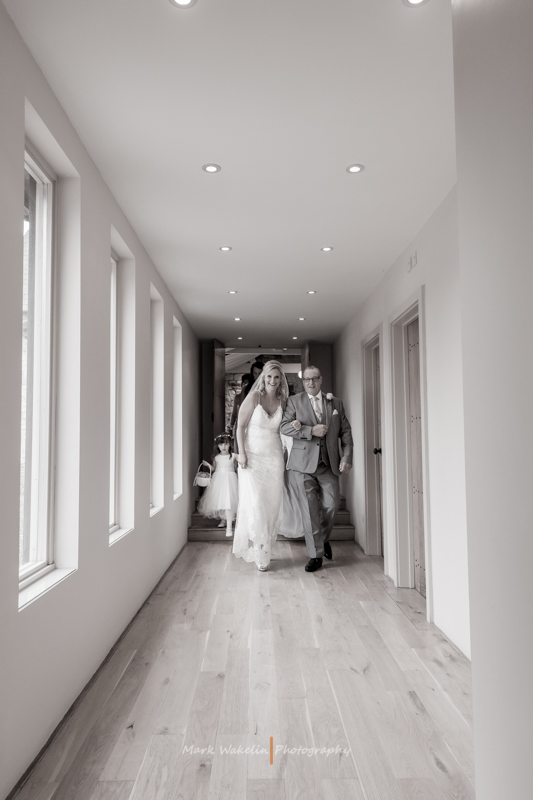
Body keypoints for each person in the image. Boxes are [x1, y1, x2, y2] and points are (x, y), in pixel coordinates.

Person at [280, 366, 353, 572]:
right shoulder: (294, 401)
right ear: (303, 382)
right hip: (302, 465)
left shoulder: (335, 402)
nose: (311, 383)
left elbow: (346, 434)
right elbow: (284, 427)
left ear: (321, 380)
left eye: (314, 379)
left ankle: (320, 539)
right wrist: (310, 430)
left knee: (332, 505)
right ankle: (315, 555)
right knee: (310, 511)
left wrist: (347, 457)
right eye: (307, 380)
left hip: (328, 464)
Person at [232, 361, 301, 570]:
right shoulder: (254, 397)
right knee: (256, 504)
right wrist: (241, 454)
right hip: (252, 459)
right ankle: (260, 549)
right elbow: (239, 427)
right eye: (269, 377)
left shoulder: (284, 401)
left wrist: (295, 425)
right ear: (263, 377)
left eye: (277, 377)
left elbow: (287, 426)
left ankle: (266, 546)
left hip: (275, 458)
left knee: (271, 506)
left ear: (281, 380)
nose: (272, 381)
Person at [197, 433, 239, 536]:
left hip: (230, 480)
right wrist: (208, 465)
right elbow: (215, 469)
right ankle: (223, 520)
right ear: (218, 446)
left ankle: (229, 527)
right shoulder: (216, 457)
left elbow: (242, 459)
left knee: (229, 500)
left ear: (230, 444)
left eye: (226, 444)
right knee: (221, 500)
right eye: (221, 445)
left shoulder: (233, 456)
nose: (223, 447)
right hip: (219, 479)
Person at [227, 373, 252, 447]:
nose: (246, 385)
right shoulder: (237, 397)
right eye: (244, 383)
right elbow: (234, 414)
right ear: (242, 384)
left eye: (248, 383)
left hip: (250, 425)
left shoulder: (253, 397)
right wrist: (231, 427)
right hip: (239, 425)